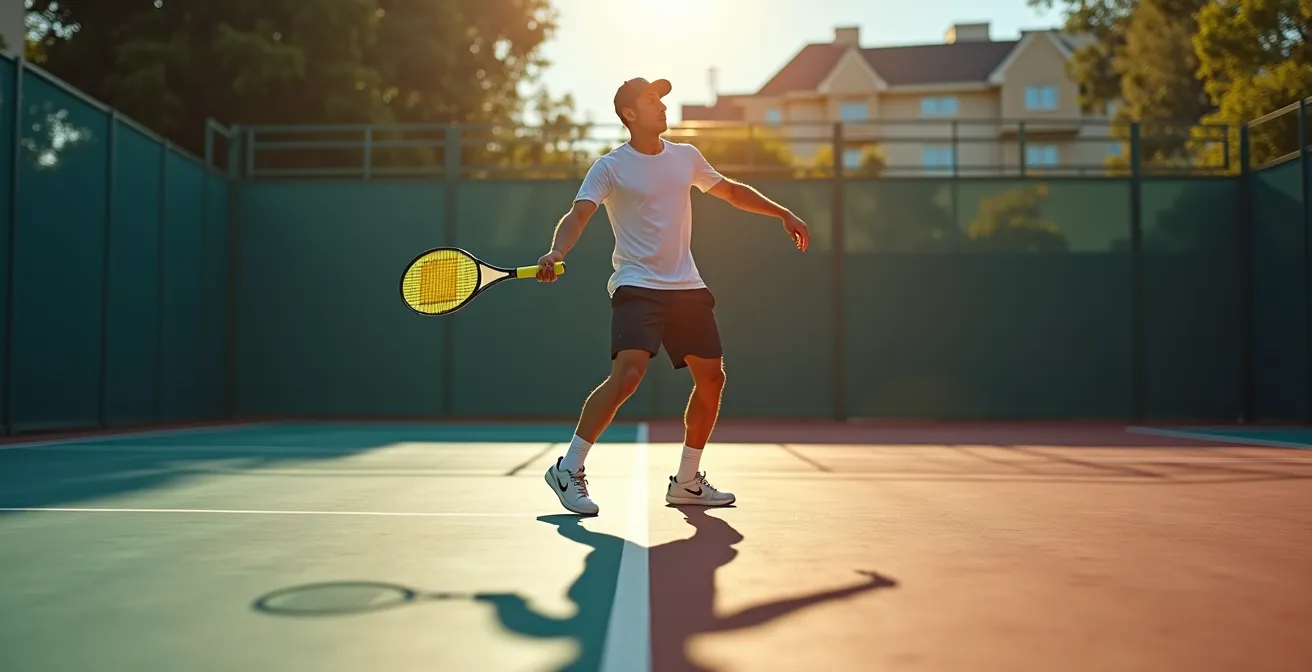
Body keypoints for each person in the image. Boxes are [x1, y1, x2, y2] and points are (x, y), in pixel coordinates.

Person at [536, 77, 810, 516]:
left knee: (712, 379)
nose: (662, 106)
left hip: (687, 287)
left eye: (661, 99)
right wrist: (557, 251)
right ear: (629, 114)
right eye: (651, 100)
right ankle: (568, 469)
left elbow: (731, 191)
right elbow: (579, 213)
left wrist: (782, 213)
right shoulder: (609, 166)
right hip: (636, 284)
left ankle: (687, 481)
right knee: (628, 375)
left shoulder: (686, 157)